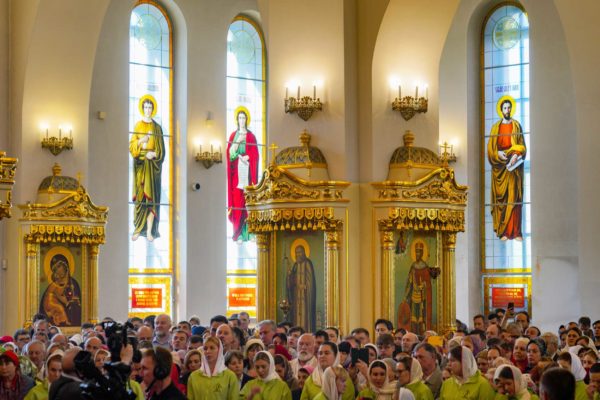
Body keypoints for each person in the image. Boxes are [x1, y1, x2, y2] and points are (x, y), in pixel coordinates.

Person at [486, 96, 526, 241]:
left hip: (513, 169)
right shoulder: (495, 128)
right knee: (501, 201)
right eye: (505, 108)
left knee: (514, 198)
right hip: (499, 168)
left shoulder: (516, 126)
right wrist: (497, 154)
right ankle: (503, 231)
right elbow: (490, 150)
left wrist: (516, 154)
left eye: (509, 107)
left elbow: (522, 146)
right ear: (501, 110)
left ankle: (515, 232)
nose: (507, 110)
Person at [129, 95, 165, 242]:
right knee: (140, 199)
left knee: (151, 201)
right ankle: (138, 229)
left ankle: (149, 231)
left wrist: (154, 154)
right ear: (142, 108)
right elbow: (132, 147)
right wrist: (142, 141)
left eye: (150, 107)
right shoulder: (138, 126)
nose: (148, 110)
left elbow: (161, 151)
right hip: (140, 166)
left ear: (153, 109)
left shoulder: (157, 128)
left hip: (152, 168)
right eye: (146, 107)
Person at [226, 107, 259, 242]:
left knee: (248, 202)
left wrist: (248, 157)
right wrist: (238, 141)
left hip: (248, 174)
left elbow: (255, 154)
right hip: (236, 175)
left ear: (247, 120)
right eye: (239, 118)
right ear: (237, 119)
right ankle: (238, 233)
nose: (241, 120)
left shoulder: (251, 136)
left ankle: (249, 233)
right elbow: (230, 154)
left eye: (243, 118)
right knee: (237, 202)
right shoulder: (233, 136)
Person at [39, 253, 82, 327]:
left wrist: (70, 303)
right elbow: (43, 311)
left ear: (65, 267)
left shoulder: (73, 283)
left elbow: (78, 304)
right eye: (55, 268)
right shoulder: (53, 285)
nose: (58, 270)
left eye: (59, 266)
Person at [401, 241, 433, 334]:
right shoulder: (413, 267)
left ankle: (422, 334)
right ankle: (413, 334)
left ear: (422, 253)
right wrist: (405, 296)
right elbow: (409, 282)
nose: (417, 254)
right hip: (413, 296)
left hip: (422, 297)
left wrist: (423, 286)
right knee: (413, 318)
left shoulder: (425, 267)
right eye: (416, 252)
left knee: (421, 318)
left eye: (419, 252)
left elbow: (428, 283)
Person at [287, 245, 317, 332]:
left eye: (300, 252)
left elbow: (311, 281)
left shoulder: (308, 263)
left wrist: (305, 286)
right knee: (297, 316)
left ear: (304, 253)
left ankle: (307, 331)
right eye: (296, 253)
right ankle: (296, 332)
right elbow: (292, 282)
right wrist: (290, 276)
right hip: (296, 297)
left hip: (305, 297)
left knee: (305, 315)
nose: (298, 255)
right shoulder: (295, 265)